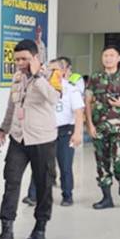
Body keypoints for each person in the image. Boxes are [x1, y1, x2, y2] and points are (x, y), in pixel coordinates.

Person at [0, 39, 59, 239]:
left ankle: (40, 227)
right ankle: (7, 231)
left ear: (36, 57)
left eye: (24, 59)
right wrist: (4, 127)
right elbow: (12, 105)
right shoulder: (17, 76)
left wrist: (37, 76)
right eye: (17, 59)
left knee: (43, 184)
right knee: (11, 181)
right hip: (18, 137)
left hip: (42, 139)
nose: (20, 63)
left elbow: (54, 98)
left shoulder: (52, 74)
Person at [22, 57, 86, 207]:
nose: (50, 72)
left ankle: (67, 195)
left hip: (65, 131)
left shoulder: (71, 89)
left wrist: (77, 133)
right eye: (48, 69)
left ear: (63, 71)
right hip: (45, 131)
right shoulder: (41, 86)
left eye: (54, 69)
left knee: (65, 165)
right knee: (40, 164)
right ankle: (33, 195)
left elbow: (78, 112)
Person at [85, 45, 120, 210]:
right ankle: (106, 197)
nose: (108, 58)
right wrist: (89, 125)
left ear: (118, 58)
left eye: (111, 55)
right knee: (102, 162)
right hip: (99, 126)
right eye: (105, 55)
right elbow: (88, 102)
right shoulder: (95, 78)